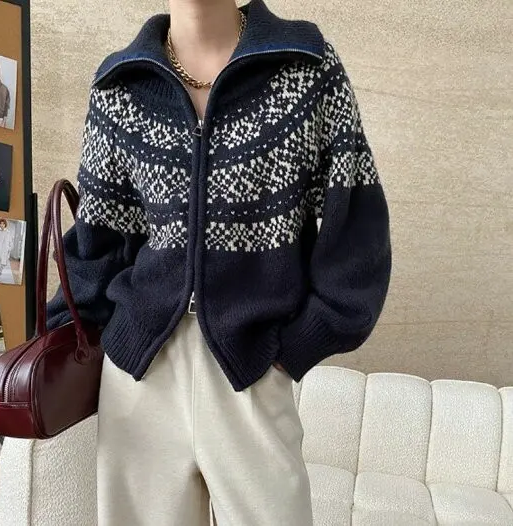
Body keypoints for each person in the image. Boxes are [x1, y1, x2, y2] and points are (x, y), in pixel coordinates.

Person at [46, 0, 392, 524]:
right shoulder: (119, 85)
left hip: (251, 368)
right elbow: (98, 240)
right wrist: (52, 343)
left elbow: (357, 225)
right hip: (140, 377)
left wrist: (301, 343)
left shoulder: (306, 65)